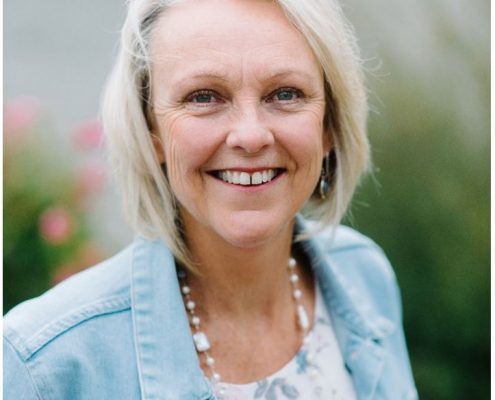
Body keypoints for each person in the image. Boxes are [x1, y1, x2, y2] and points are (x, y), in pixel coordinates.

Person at [4, 0, 418, 399]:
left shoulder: (363, 276)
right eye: (204, 97)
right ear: (151, 132)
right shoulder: (43, 366)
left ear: (328, 125)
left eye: (286, 94)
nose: (251, 136)